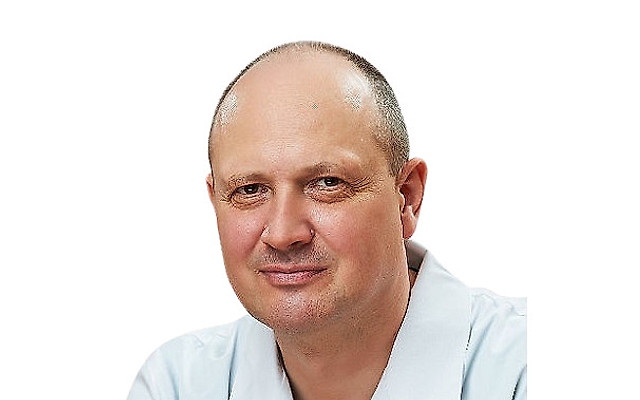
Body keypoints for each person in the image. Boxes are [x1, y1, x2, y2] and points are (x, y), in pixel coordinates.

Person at [127, 41, 526, 400]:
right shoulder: (175, 385)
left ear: (406, 197)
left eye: (327, 183)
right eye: (250, 190)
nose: (283, 234)